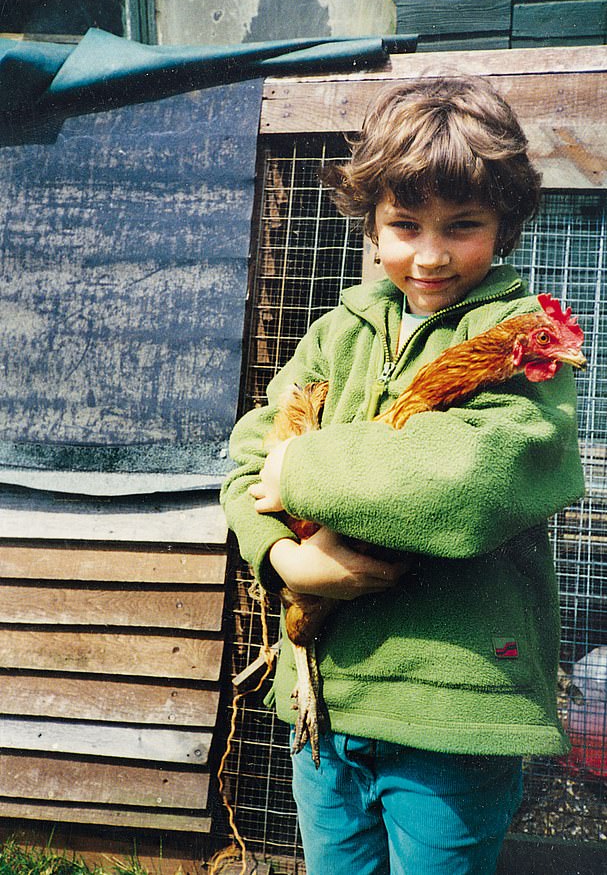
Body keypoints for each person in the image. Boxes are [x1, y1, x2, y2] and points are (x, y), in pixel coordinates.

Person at [220, 75, 585, 875]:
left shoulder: (529, 339)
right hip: (324, 698)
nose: (429, 253)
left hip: (451, 711)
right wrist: (286, 559)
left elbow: (467, 477)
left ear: (506, 224)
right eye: (403, 223)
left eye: (462, 226)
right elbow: (246, 457)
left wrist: (301, 468)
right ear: (372, 223)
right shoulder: (337, 331)